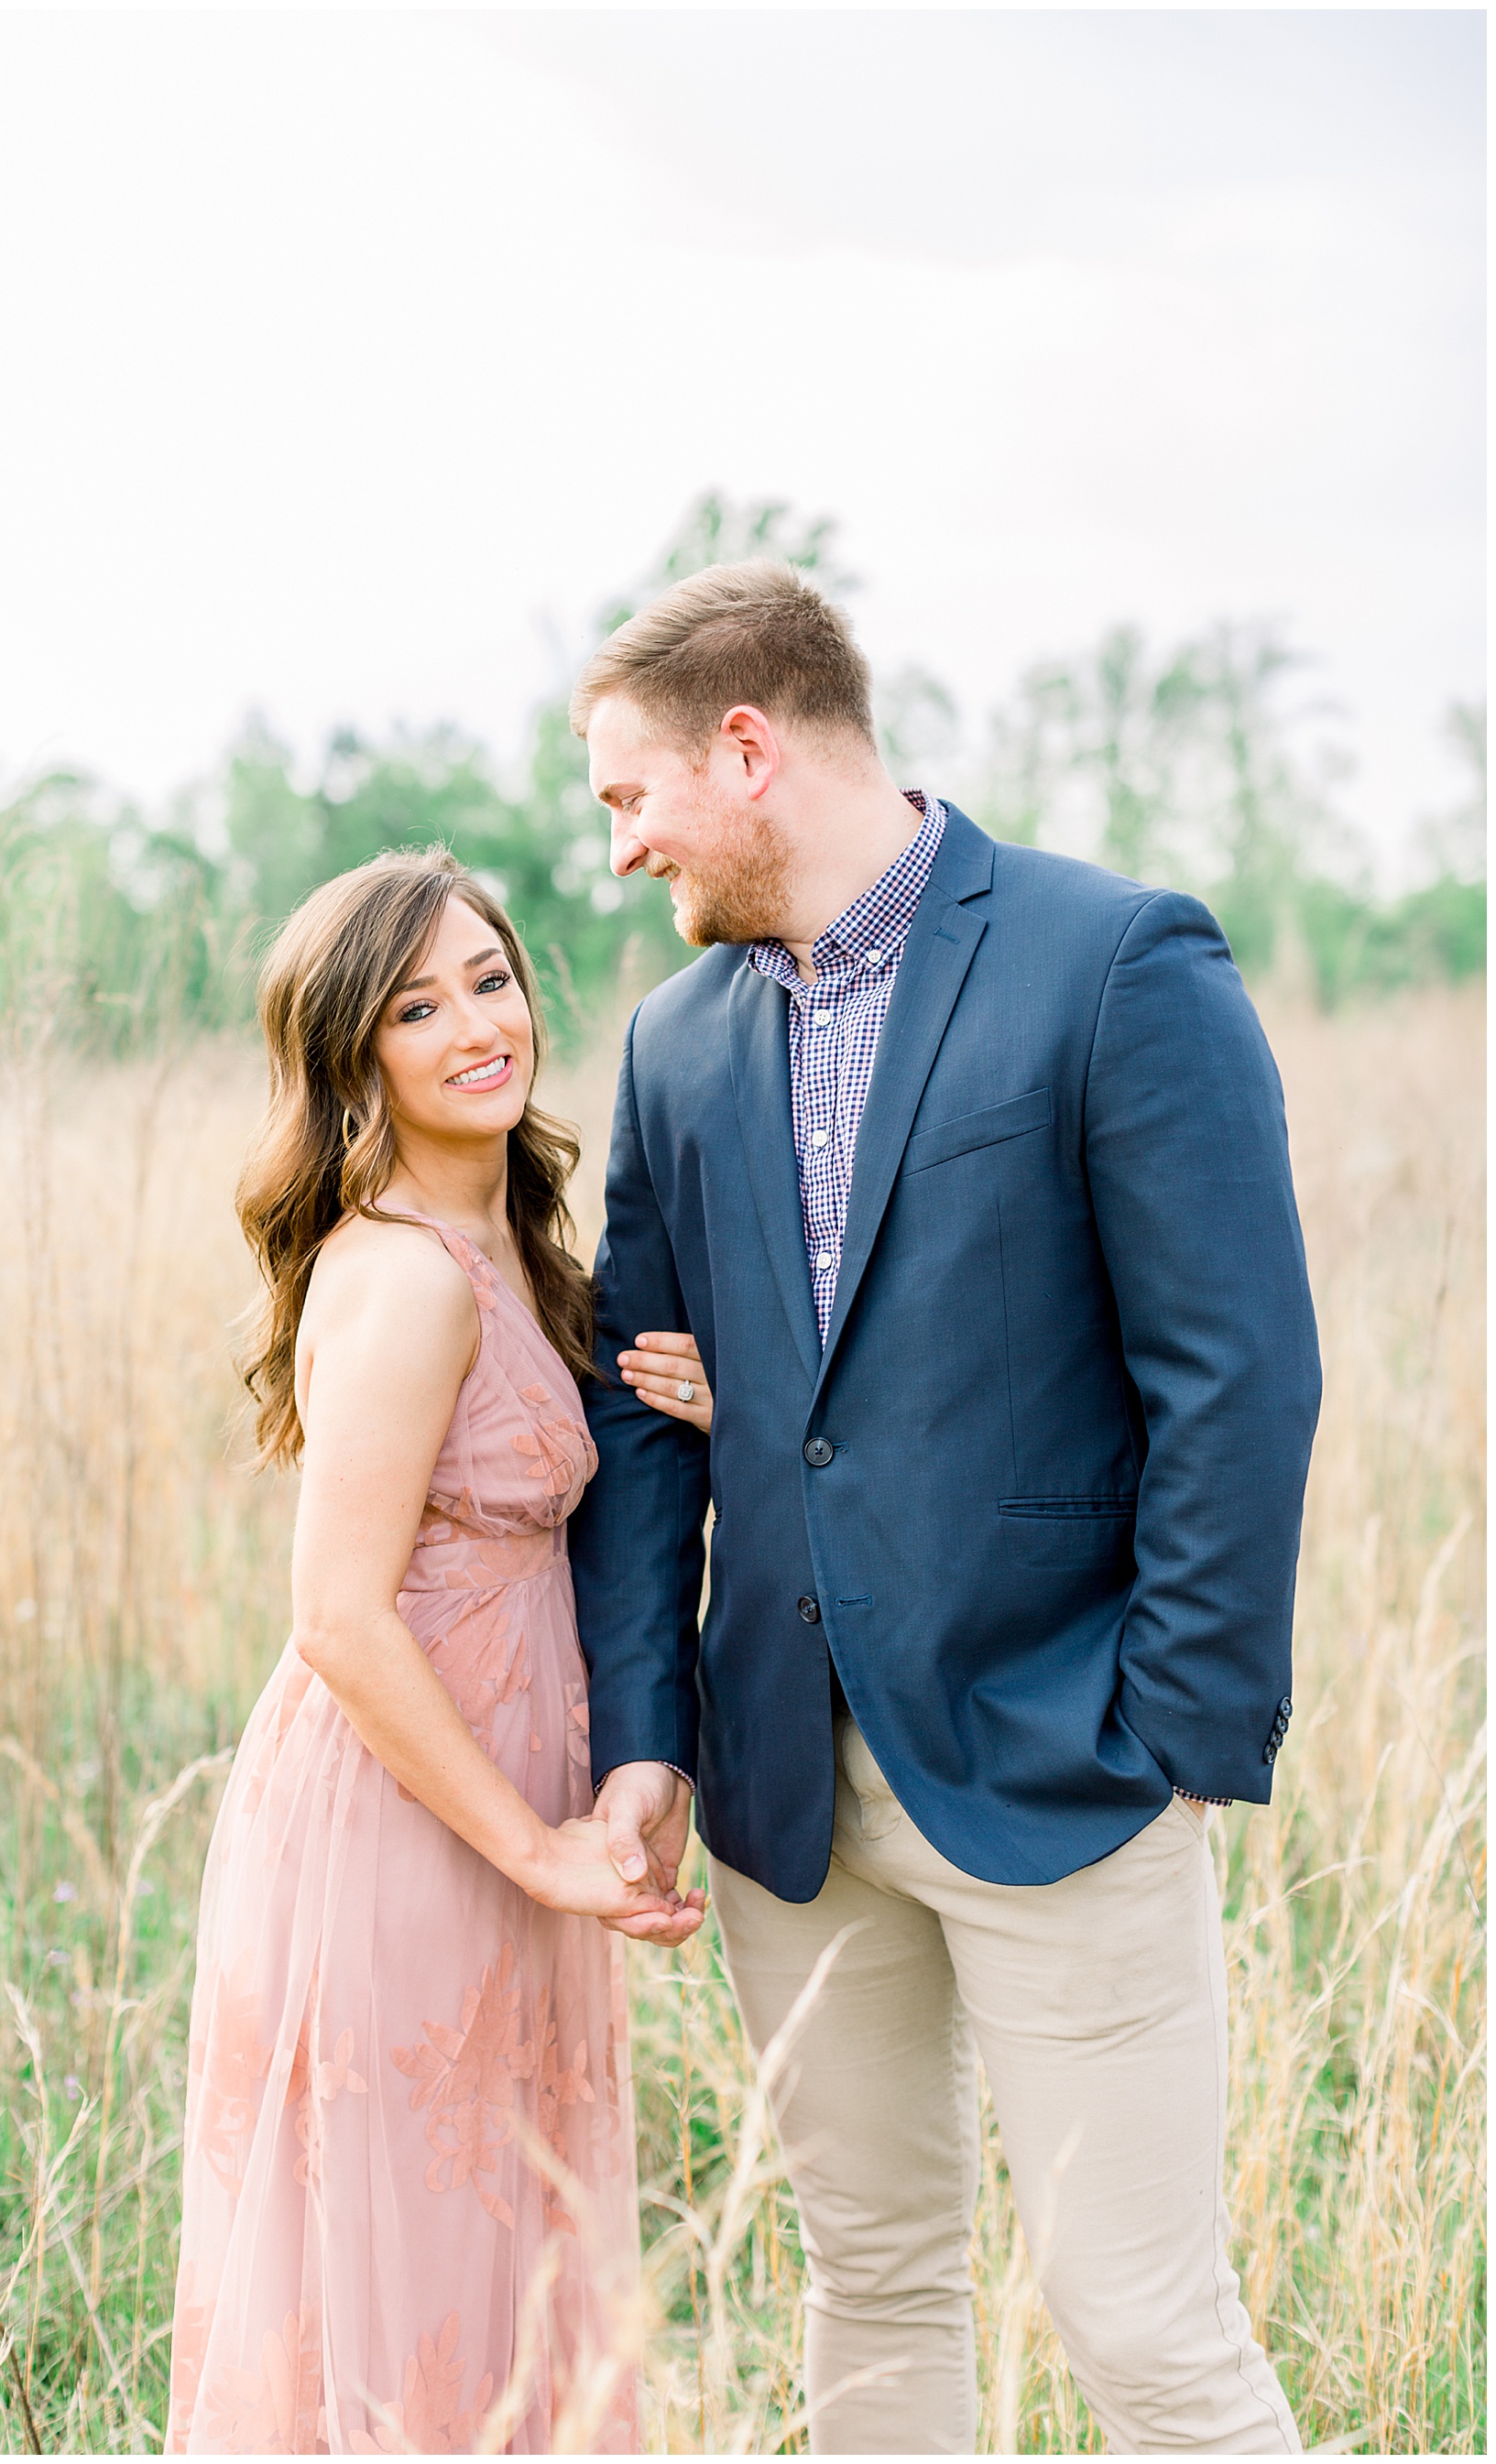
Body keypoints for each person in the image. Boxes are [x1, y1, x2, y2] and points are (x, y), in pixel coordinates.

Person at [566, 560, 1323, 2455]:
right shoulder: (677, 1043)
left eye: (625, 796)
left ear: (745, 748)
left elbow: (1238, 1378)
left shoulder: (1113, 958)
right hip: (780, 1796)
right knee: (871, 2282)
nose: (617, 851)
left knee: (1144, 2327)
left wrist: (1170, 1732)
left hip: (1063, 1759)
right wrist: (650, 1730)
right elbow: (651, 1422)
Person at [166, 850, 703, 2457]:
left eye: (491, 978)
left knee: (500, 2267)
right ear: (355, 1057)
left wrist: (709, 1417)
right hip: (411, 1827)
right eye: (418, 1004)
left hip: (496, 1805)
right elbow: (334, 1610)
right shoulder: (403, 1274)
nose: (479, 1023)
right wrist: (537, 1847)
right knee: (417, 2282)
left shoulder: (516, 1257)